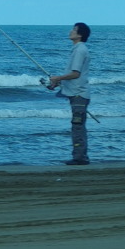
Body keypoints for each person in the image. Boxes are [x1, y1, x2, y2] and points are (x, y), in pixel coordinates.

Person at [46, 22, 91, 165]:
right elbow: (73, 75)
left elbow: (75, 74)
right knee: (78, 126)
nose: (71, 31)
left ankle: (80, 158)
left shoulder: (80, 50)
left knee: (77, 126)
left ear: (79, 35)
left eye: (74, 30)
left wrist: (58, 78)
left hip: (79, 94)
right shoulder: (77, 49)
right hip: (77, 93)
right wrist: (57, 83)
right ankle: (80, 156)